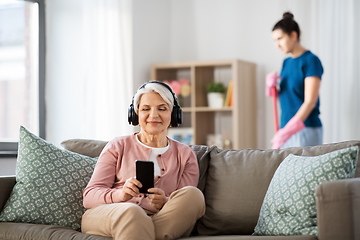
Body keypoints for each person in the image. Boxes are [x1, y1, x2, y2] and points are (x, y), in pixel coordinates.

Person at [81, 81, 205, 240]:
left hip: (161, 219)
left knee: (194, 195)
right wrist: (121, 195)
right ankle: (142, 228)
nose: (153, 115)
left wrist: (165, 201)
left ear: (173, 115)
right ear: (136, 113)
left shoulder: (185, 154)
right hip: (114, 213)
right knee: (132, 212)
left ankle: (143, 232)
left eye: (162, 108)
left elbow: (182, 203)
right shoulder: (117, 146)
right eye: (146, 109)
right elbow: (90, 196)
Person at [266, 12, 324, 149]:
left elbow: (310, 102)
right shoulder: (286, 62)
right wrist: (271, 88)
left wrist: (288, 131)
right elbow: (287, 99)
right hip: (285, 128)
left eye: (280, 38)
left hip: (306, 129)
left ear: (293, 35)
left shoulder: (310, 61)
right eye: (274, 40)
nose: (277, 45)